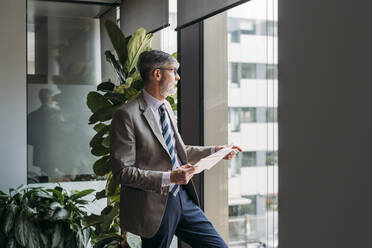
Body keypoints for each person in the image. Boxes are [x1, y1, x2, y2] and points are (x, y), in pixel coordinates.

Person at [110, 50, 242, 248]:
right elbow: (123, 172)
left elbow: (177, 151)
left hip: (182, 197)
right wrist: (170, 177)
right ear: (157, 74)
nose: (178, 77)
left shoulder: (166, 108)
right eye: (174, 71)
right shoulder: (126, 115)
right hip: (152, 206)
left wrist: (215, 151)